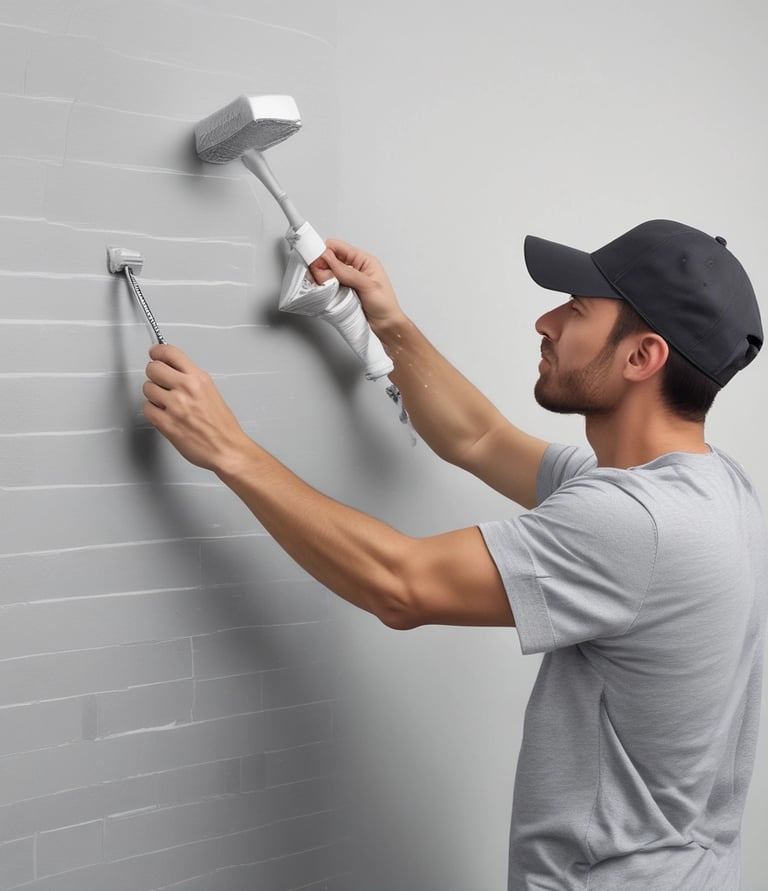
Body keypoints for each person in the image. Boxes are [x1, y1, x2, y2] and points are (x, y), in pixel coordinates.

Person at [142, 219, 767, 890]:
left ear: (641, 357)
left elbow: (400, 584)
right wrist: (388, 320)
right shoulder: (713, 486)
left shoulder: (633, 524)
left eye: (578, 310)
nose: (545, 321)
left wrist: (230, 449)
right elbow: (479, 437)